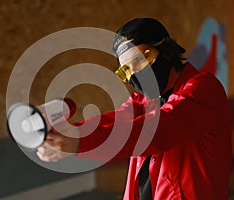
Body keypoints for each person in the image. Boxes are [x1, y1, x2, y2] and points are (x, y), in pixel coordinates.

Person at [36, 18, 232, 200]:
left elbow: (157, 130)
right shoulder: (143, 101)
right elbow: (116, 122)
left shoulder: (202, 89)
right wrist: (71, 132)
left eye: (139, 61)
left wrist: (80, 139)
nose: (135, 74)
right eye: (127, 70)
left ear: (166, 51)